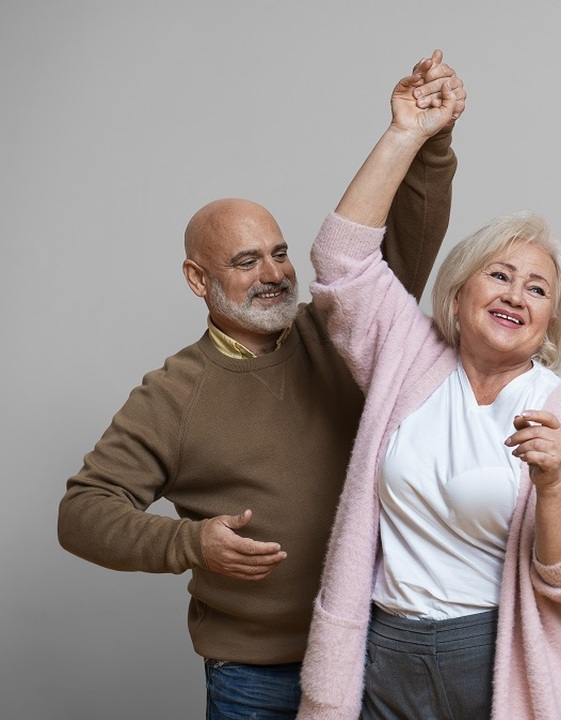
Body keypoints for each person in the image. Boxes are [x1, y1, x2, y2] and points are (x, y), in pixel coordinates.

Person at [56, 52, 467, 719]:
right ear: (199, 280)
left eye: (278, 252)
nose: (273, 272)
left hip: (378, 652)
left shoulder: (337, 332)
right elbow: (81, 514)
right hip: (255, 679)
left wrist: (429, 140)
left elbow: (401, 251)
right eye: (246, 261)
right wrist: (190, 543)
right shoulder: (173, 394)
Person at [293, 70, 561, 720]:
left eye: (536, 288)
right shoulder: (406, 357)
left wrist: (552, 481)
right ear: (460, 291)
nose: (514, 295)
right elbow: (341, 261)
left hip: (494, 654)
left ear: (552, 318)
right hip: (384, 645)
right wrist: (405, 134)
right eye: (499, 275)